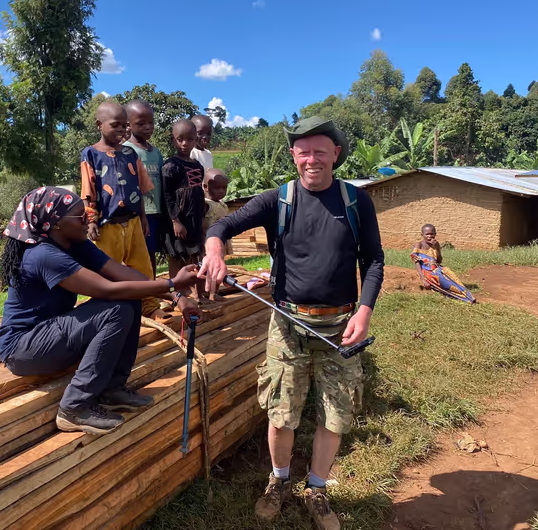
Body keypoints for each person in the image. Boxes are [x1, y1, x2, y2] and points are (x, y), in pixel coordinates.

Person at [199, 116, 385, 529]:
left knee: (334, 415)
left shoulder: (356, 202)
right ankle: (279, 481)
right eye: (304, 152)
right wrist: (214, 250)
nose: (312, 159)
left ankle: (317, 489)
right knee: (281, 414)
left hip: (341, 327)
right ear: (293, 156)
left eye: (321, 151)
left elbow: (373, 260)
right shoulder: (276, 201)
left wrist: (365, 310)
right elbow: (222, 224)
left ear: (336, 154)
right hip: (287, 327)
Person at [0, 187, 200, 434]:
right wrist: (172, 283)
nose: (89, 220)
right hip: (22, 349)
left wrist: (176, 295)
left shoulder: (76, 244)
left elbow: (121, 274)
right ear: (56, 223)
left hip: (51, 334)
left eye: (88, 214)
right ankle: (74, 407)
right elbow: (107, 289)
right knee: (116, 306)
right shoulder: (43, 255)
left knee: (129, 299)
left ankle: (111, 390)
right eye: (80, 217)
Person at [81, 102, 166, 320]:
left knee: (143, 266)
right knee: (106, 269)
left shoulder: (130, 153)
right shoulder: (90, 154)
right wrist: (91, 220)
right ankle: (108, 312)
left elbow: (140, 187)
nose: (121, 129)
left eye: (124, 125)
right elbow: (88, 190)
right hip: (107, 225)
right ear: (99, 125)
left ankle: (150, 307)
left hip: (134, 221)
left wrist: (143, 217)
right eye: (115, 125)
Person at [162, 119, 206, 302]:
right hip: (178, 219)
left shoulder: (198, 166)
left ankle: (198, 293)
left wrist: (201, 220)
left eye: (189, 139)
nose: (184, 143)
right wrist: (175, 221)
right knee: (177, 255)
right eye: (180, 139)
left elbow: (199, 194)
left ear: (195, 140)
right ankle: (177, 293)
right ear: (174, 140)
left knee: (194, 254)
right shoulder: (170, 166)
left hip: (194, 217)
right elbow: (166, 195)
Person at [124, 100, 164, 278]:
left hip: (157, 211)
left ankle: (153, 290)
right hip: (140, 214)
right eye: (141, 124)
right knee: (139, 256)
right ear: (129, 125)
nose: (148, 127)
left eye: (151, 122)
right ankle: (142, 293)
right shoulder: (126, 150)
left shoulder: (155, 152)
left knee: (152, 253)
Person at [412, 224, 475, 303]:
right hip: (427, 271)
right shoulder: (418, 245)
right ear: (422, 235)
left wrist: (437, 248)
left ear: (435, 234)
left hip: (437, 268)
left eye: (432, 234)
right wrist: (423, 279)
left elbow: (439, 261)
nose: (429, 236)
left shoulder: (436, 244)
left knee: (451, 276)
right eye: (427, 234)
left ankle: (468, 296)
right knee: (443, 281)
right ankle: (464, 298)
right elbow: (416, 263)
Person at [202, 168, 232, 300]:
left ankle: (214, 293)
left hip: (221, 243)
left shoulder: (223, 205)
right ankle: (204, 292)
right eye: (217, 188)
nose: (221, 191)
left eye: (224, 188)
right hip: (207, 245)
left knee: (219, 268)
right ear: (206, 187)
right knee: (206, 269)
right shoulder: (205, 205)